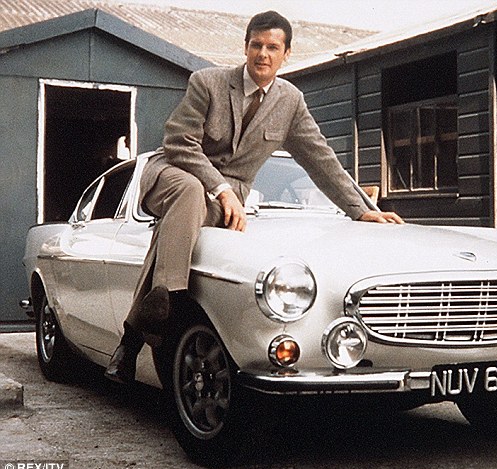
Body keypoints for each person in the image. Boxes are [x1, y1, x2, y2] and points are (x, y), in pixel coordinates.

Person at [105, 11, 403, 384]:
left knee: (179, 225)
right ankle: (173, 297)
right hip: (172, 175)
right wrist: (222, 189)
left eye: (272, 47)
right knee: (190, 191)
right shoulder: (208, 82)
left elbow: (321, 159)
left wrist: (362, 210)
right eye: (256, 45)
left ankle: (134, 336)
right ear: (245, 47)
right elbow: (179, 142)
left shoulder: (290, 101)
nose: (263, 54)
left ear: (286, 54)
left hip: (217, 201)